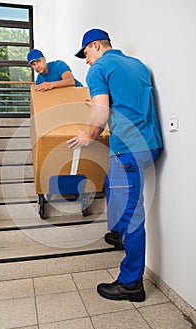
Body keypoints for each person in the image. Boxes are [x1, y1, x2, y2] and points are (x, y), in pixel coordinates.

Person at [67, 28, 163, 302]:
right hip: (151, 145)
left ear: (96, 46)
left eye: (85, 54)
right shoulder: (137, 65)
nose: (86, 61)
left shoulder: (99, 69)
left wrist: (89, 135)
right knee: (112, 183)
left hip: (128, 151)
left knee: (134, 215)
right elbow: (128, 103)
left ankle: (131, 283)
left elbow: (101, 112)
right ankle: (118, 233)